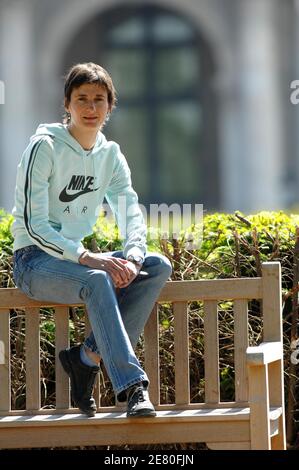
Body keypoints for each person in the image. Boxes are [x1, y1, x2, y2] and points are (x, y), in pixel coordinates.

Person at [12, 62, 172, 418]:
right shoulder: (44, 148)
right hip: (34, 262)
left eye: (99, 100)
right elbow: (33, 224)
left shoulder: (110, 155)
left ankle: (86, 358)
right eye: (81, 98)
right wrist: (89, 258)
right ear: (67, 104)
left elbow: (130, 210)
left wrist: (131, 256)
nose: (90, 108)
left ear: (110, 107)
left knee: (156, 266)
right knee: (99, 277)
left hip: (75, 263)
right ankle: (133, 387)